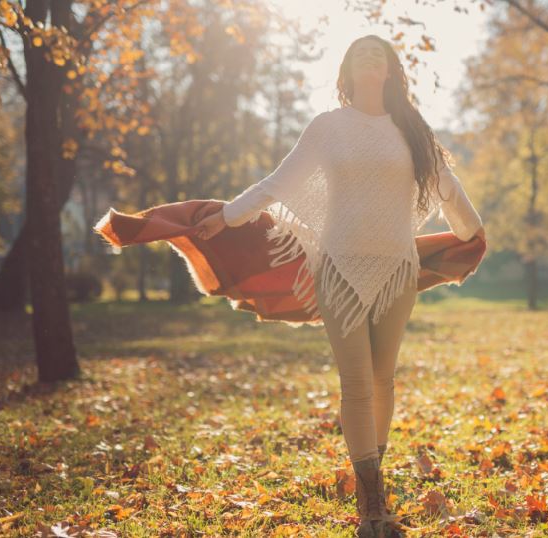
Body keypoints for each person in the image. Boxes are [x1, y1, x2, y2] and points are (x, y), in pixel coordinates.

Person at [194, 34, 485, 538]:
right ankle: (371, 507)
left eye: (379, 53)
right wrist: (226, 215)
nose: (370, 57)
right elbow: (278, 183)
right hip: (338, 267)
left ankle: (374, 482)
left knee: (382, 379)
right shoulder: (328, 127)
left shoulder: (412, 129)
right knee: (355, 380)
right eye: (359, 53)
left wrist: (473, 233)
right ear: (346, 72)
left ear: (391, 71)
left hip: (397, 268)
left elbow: (449, 189)